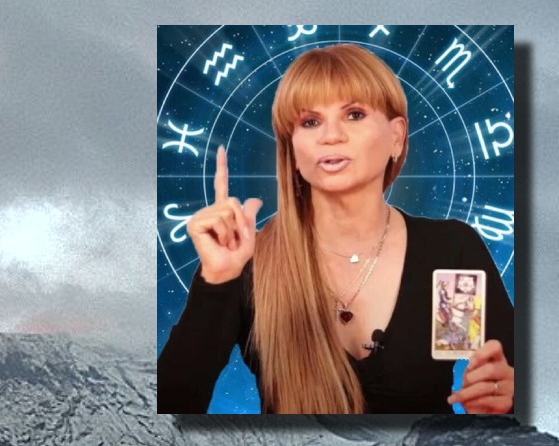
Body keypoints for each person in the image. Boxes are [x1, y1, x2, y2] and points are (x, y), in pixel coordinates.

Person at [157, 44, 514, 414]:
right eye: (310, 122)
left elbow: (499, 383)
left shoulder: (449, 251)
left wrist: (499, 400)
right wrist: (217, 281)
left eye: (354, 114)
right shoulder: (244, 260)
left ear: (396, 136)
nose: (330, 136)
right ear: (293, 150)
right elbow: (172, 410)